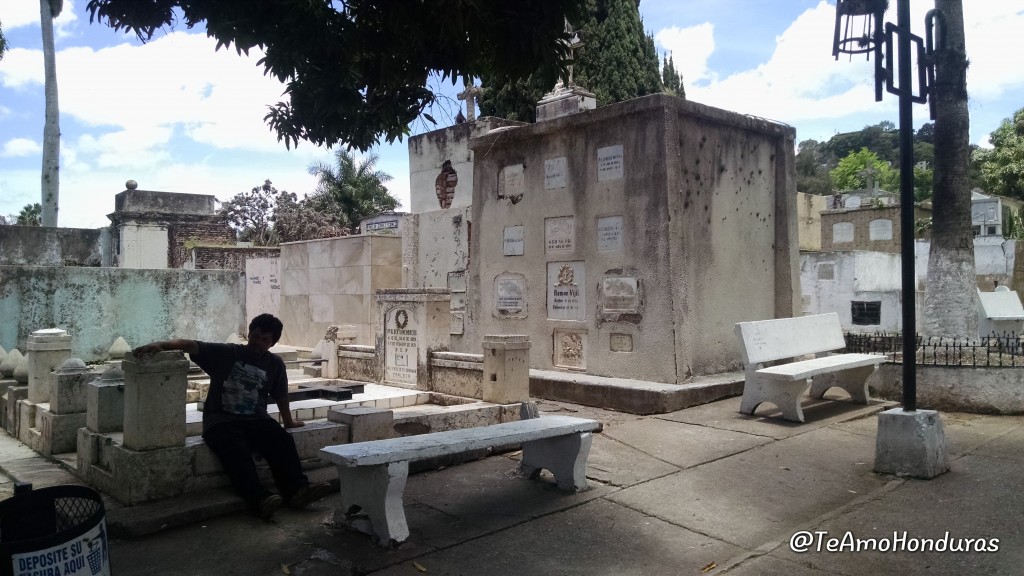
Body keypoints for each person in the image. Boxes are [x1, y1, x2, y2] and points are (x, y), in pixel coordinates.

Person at [133, 313, 332, 521]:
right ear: (249, 334)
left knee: (282, 439)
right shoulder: (227, 353)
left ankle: (297, 491)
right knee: (236, 449)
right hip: (220, 421)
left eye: (265, 339)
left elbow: (281, 396)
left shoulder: (275, 364)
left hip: (257, 420)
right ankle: (259, 499)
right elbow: (191, 345)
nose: (258, 342)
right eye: (256, 336)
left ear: (273, 343)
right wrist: (160, 345)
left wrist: (288, 422)